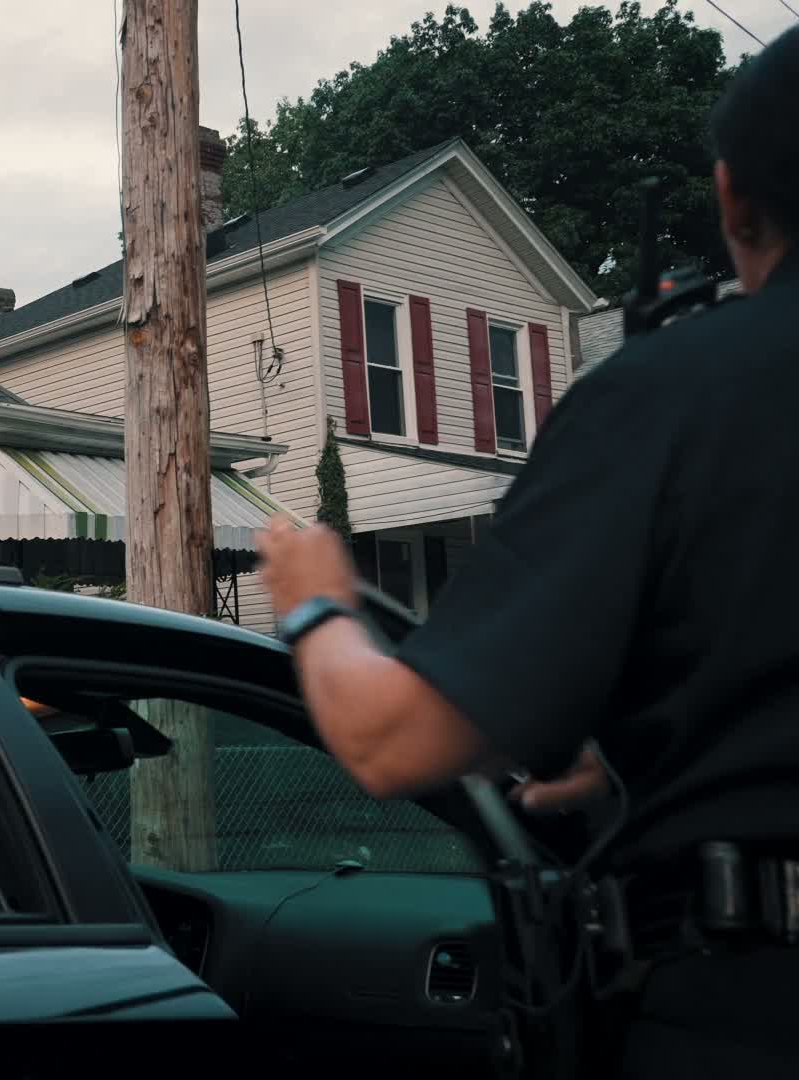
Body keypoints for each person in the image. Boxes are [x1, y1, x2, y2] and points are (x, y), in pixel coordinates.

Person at [255, 25, 799, 1079]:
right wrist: (640, 742)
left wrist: (318, 602)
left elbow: (392, 742)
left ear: (732, 197)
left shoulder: (674, 393)